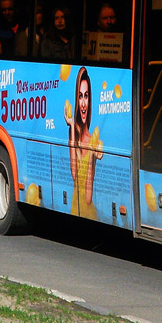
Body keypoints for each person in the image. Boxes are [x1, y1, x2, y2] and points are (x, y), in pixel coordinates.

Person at [65, 66, 102, 220]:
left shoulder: (94, 140)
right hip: (75, 209)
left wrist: (92, 156)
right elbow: (74, 174)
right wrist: (72, 126)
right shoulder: (73, 133)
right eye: (80, 96)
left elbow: (87, 197)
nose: (83, 104)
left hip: (87, 212)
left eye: (86, 96)